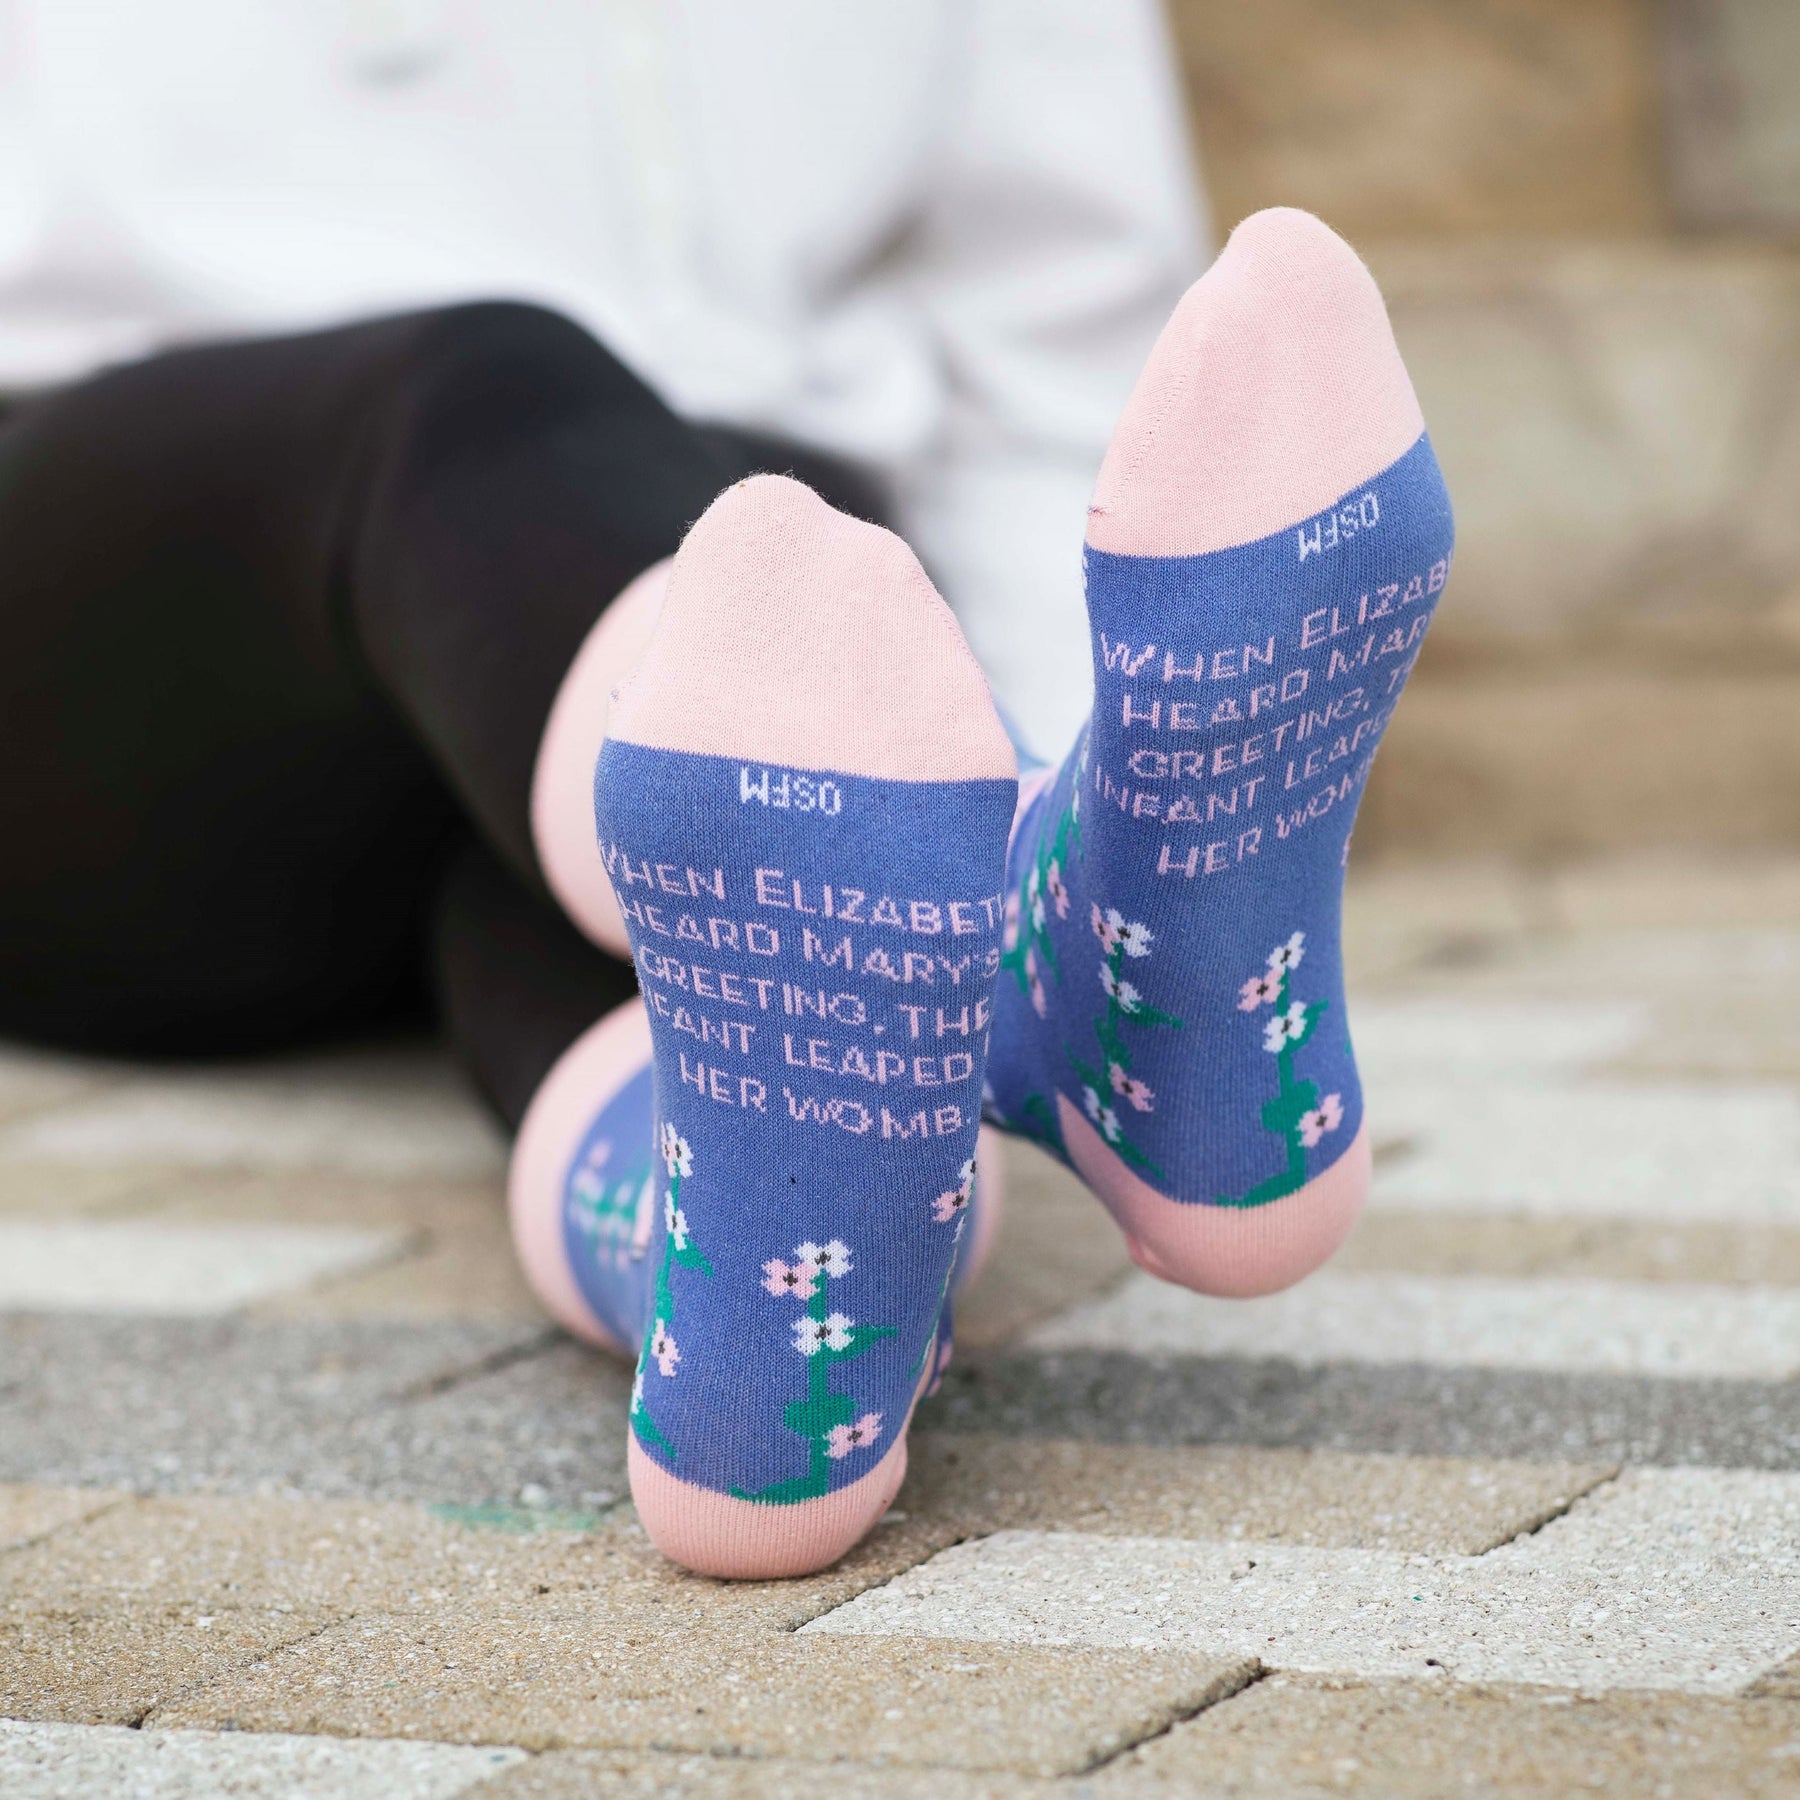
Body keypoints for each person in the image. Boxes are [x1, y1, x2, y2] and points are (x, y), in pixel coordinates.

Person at [0, 10, 1454, 1579]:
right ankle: (1050, 945)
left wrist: (958, 729)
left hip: (686, 624)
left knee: (795, 1003)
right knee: (483, 410)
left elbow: (1050, 335)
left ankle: (776, 1377)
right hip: (141, 600)